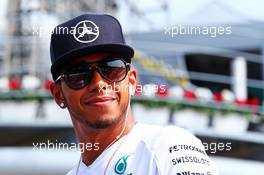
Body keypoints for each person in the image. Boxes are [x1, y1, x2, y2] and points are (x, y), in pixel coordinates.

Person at [49, 13, 218, 175]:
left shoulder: (168, 146)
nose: (99, 83)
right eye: (78, 74)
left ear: (131, 81)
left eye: (111, 68)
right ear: (58, 94)